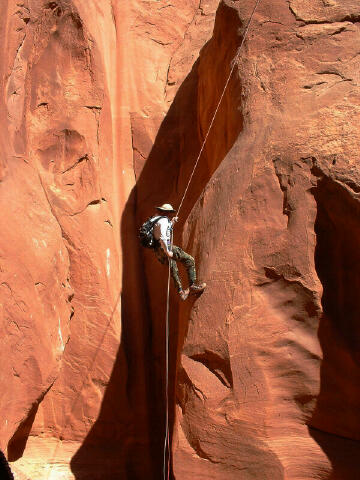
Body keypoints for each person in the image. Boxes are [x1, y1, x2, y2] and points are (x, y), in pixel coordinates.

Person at [152, 203, 206, 300]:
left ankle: (181, 292)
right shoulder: (163, 220)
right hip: (165, 248)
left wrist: (172, 223)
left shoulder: (156, 220)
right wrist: (168, 251)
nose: (171, 215)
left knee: (173, 267)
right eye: (170, 213)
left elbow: (162, 231)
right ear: (167, 212)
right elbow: (163, 237)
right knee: (189, 260)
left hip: (158, 252)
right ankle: (192, 286)